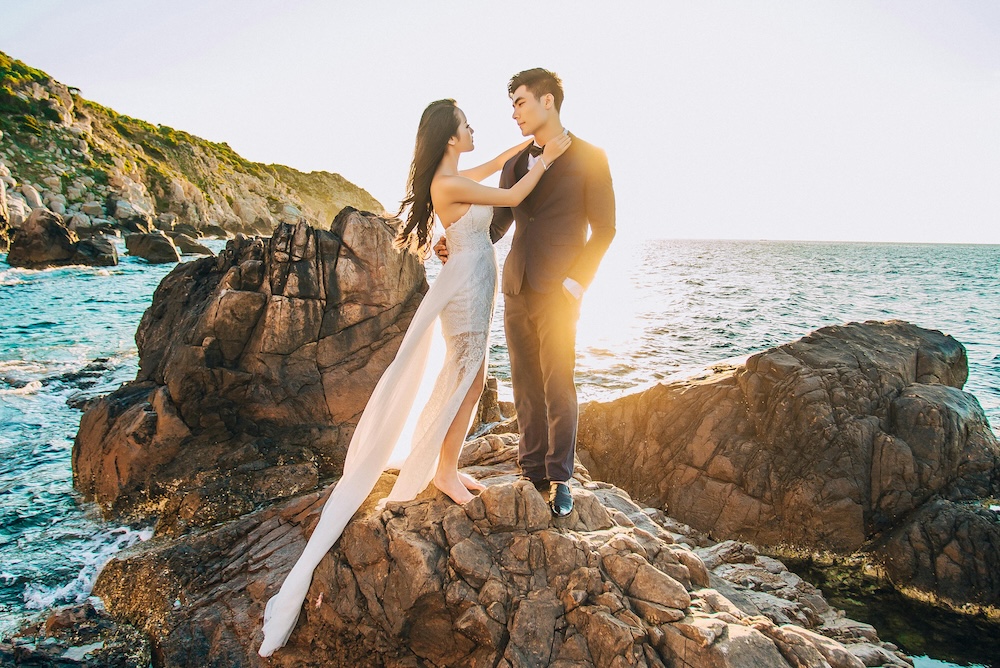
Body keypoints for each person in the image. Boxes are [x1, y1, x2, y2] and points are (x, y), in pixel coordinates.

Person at [258, 99, 571, 657]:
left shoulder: (453, 175)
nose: (475, 129)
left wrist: (532, 145)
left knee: (468, 377)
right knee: (467, 376)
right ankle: (443, 469)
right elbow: (513, 197)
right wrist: (549, 160)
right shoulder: (448, 185)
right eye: (467, 124)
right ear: (450, 137)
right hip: (467, 286)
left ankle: (443, 464)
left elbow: (500, 163)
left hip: (473, 276)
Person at [436, 68, 616, 518]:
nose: (513, 111)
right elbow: (500, 224)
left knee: (559, 382)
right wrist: (455, 237)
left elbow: (606, 230)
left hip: (562, 290)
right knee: (525, 385)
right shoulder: (517, 165)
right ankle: (530, 469)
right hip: (515, 286)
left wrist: (577, 283)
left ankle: (560, 478)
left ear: (548, 101)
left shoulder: (592, 157)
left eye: (519, 101)